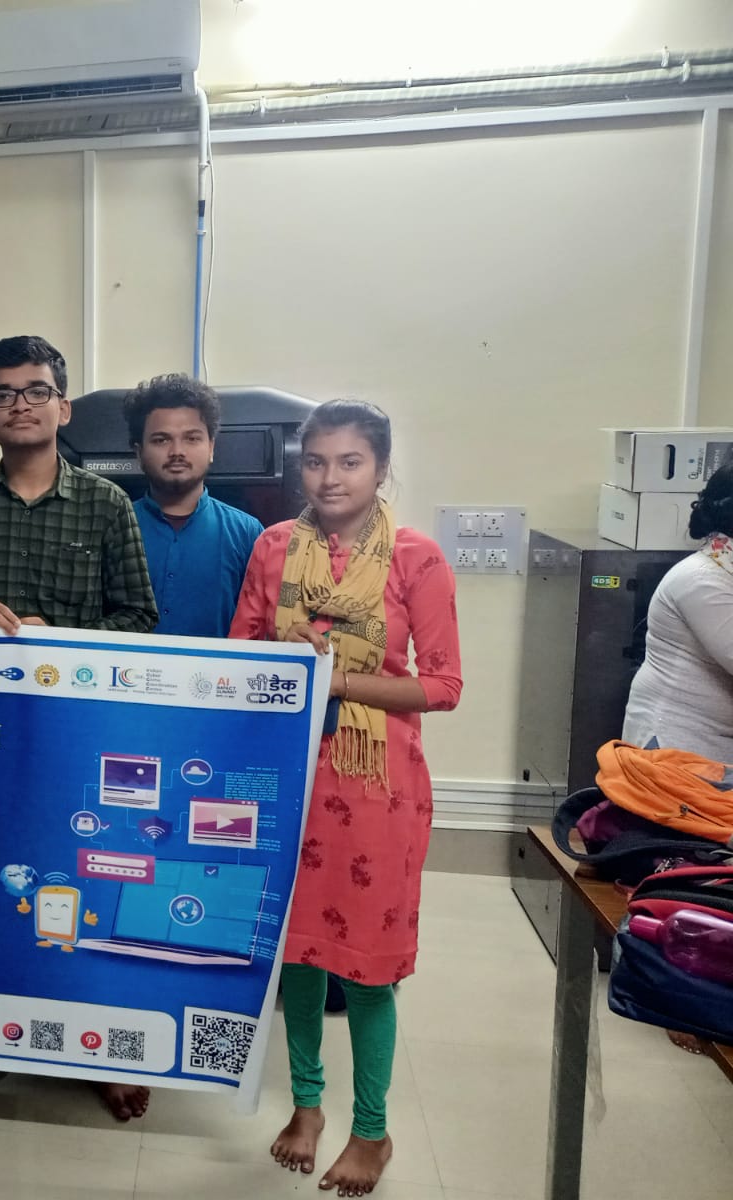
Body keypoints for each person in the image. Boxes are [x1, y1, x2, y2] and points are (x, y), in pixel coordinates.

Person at [0, 334, 158, 1121]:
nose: (19, 405)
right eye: (2, 394)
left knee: (86, 886)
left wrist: (67, 638)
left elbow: (140, 620)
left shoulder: (106, 505)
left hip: (78, 738)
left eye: (35, 390)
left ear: (64, 407)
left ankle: (101, 1047)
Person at [228, 399, 462, 1198]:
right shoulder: (273, 547)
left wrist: (337, 681)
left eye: (350, 462)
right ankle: (306, 1106)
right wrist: (279, 652)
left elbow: (444, 685)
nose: (330, 478)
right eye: (316, 461)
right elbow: (238, 655)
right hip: (287, 775)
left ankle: (372, 1129)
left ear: (381, 468)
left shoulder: (416, 557)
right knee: (295, 951)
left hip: (377, 787)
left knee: (366, 967)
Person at [623, 457, 733, 1055]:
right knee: (685, 874)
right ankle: (672, 995)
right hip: (679, 744)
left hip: (713, 748)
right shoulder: (703, 579)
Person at [125, 373, 263, 638]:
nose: (177, 451)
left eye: (192, 438)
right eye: (161, 440)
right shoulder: (115, 527)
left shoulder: (248, 534)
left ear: (211, 447)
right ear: (139, 453)